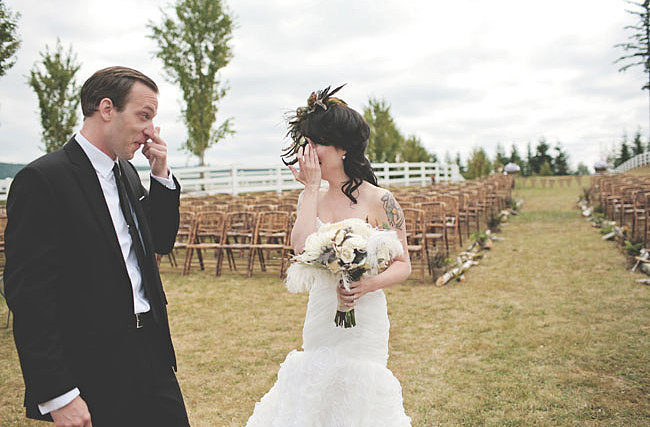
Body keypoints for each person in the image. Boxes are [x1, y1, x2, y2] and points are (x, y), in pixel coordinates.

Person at [4, 66, 189, 426]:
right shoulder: (43, 180)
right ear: (107, 109)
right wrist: (58, 393)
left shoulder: (127, 172)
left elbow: (161, 241)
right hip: (92, 363)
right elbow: (30, 296)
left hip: (151, 352)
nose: (151, 130)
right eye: (144, 116)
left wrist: (161, 173)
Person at [246, 85, 412, 425]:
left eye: (317, 142)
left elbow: (404, 265)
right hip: (322, 314)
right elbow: (300, 248)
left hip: (364, 318)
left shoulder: (381, 200)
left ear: (344, 147)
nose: (309, 150)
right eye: (306, 142)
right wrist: (309, 189)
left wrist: (366, 285)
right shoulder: (311, 197)